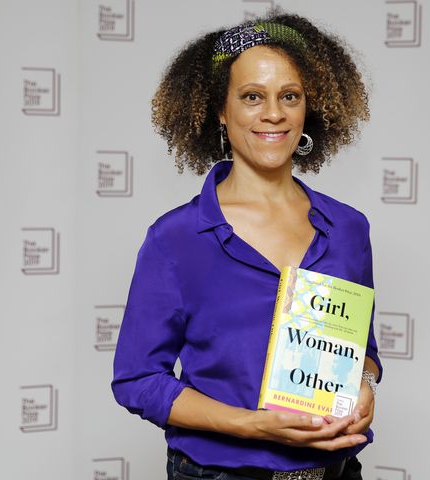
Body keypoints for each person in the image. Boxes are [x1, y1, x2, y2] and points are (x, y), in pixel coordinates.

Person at [111, 11, 382, 480]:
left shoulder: (349, 228)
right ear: (221, 109)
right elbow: (138, 381)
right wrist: (254, 425)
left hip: (337, 470)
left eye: (289, 96)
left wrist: (364, 385)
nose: (273, 113)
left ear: (308, 107)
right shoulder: (176, 239)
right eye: (252, 96)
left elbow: (363, 350)